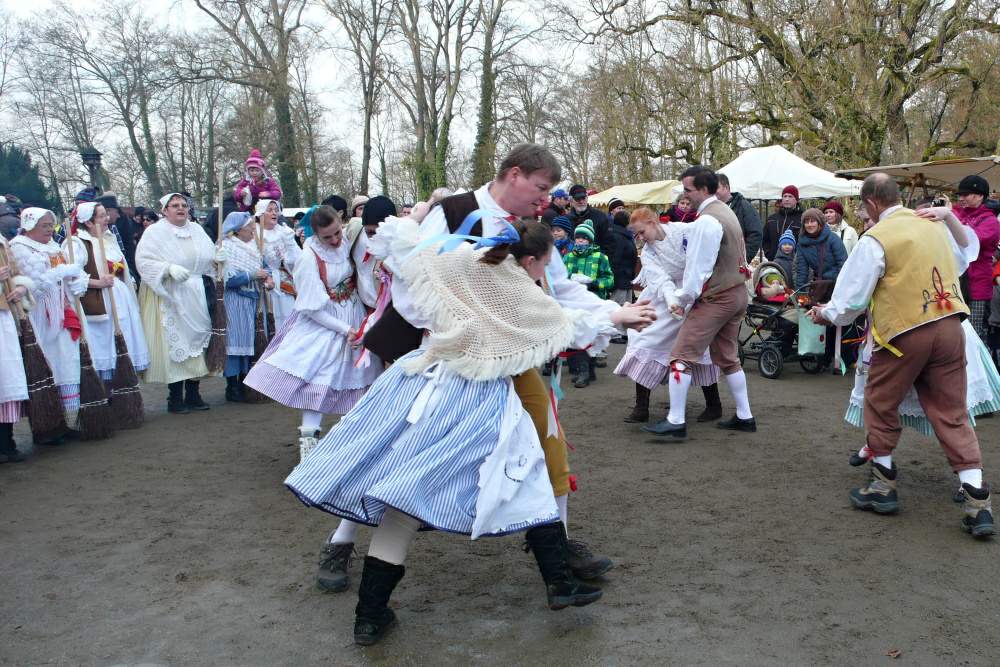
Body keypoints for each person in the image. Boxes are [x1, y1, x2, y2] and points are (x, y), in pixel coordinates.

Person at [285, 215, 654, 645]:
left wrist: (416, 217)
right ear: (531, 261)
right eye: (545, 265)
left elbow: (406, 249)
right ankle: (559, 581)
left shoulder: (462, 261)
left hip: (418, 384)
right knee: (530, 475)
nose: (545, 275)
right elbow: (564, 324)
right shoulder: (514, 288)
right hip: (474, 394)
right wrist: (620, 315)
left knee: (404, 501)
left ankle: (369, 616)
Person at [365, 144, 649, 591]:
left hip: (507, 363)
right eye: (540, 187)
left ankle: (558, 556)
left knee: (543, 450)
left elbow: (555, 292)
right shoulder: (454, 213)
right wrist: (472, 326)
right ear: (514, 174)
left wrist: (610, 313)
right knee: (400, 460)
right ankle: (342, 542)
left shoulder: (528, 231)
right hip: (449, 367)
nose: (545, 199)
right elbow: (414, 286)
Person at [810, 172, 993, 539]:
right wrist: (949, 217)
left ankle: (882, 485)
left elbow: (851, 300)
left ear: (871, 202)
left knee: (880, 401)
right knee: (952, 413)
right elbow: (966, 256)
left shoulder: (876, 238)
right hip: (951, 326)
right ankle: (978, 502)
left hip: (905, 332)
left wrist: (826, 314)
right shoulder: (932, 226)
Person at [644, 166, 755, 439]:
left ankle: (676, 421)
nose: (685, 195)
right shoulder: (725, 211)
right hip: (737, 293)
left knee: (680, 356)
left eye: (688, 190)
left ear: (704, 189)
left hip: (718, 296)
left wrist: (683, 299)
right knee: (728, 358)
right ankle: (745, 416)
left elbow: (698, 269)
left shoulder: (707, 221)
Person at [616, 207, 721, 423]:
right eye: (636, 235)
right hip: (664, 298)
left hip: (693, 291)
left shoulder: (683, 231)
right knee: (644, 338)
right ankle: (641, 406)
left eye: (642, 232)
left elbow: (702, 253)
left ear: (653, 222)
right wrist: (673, 302)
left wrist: (688, 294)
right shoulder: (648, 253)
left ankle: (714, 404)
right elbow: (661, 281)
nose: (640, 238)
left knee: (697, 345)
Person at [135, 193, 225, 413]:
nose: (180, 208)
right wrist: (167, 269)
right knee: (175, 346)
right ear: (165, 210)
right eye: (174, 205)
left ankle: (194, 394)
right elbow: (144, 261)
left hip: (197, 294)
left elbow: (209, 261)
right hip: (171, 295)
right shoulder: (155, 232)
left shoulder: (197, 230)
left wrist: (219, 260)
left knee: (198, 343)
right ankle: (175, 398)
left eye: (184, 205)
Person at [10, 208, 86, 432]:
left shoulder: (54, 246)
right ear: (30, 226)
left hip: (63, 311)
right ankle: (48, 424)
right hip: (39, 315)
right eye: (44, 226)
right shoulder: (20, 247)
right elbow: (34, 286)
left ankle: (68, 419)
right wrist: (58, 273)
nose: (49, 230)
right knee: (46, 363)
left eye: (51, 225)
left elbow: (67, 277)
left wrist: (76, 280)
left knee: (67, 361)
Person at [64, 202, 150, 384]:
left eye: (106, 215)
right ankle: (105, 390)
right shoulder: (78, 243)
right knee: (105, 346)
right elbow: (71, 276)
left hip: (120, 297)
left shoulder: (109, 238)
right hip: (100, 301)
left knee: (123, 340)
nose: (107, 219)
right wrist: (98, 282)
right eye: (102, 216)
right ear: (88, 222)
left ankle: (122, 387)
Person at [219, 212, 270, 402]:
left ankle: (245, 382)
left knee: (251, 340)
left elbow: (265, 267)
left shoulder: (257, 246)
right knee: (235, 341)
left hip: (254, 300)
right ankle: (232, 386)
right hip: (235, 300)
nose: (252, 230)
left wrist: (268, 278)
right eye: (249, 227)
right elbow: (227, 279)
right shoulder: (226, 248)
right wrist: (251, 275)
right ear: (238, 230)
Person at [563, 223, 614, 388]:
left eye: (584, 238)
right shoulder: (568, 257)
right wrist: (571, 281)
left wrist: (594, 284)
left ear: (590, 240)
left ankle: (585, 372)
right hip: (573, 303)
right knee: (577, 336)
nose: (580, 240)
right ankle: (585, 371)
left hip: (593, 303)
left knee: (589, 337)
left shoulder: (600, 257)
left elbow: (609, 279)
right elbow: (560, 279)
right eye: (578, 237)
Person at [953, 175, 999, 344]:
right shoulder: (957, 214)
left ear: (980, 196)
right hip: (956, 284)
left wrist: (949, 218)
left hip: (977, 287)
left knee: (974, 334)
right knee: (955, 333)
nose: (961, 198)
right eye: (960, 194)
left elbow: (970, 241)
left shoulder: (990, 221)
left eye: (965, 194)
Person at [0, 234, 32, 462]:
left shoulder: (1, 241)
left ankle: (6, 442)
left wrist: (20, 288)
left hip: (4, 317)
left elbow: (16, 273)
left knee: (7, 380)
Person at [255, 199, 300, 330]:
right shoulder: (255, 233)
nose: (274, 213)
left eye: (276, 210)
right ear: (261, 214)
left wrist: (290, 244)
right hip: (264, 281)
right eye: (270, 210)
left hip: (283, 279)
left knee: (288, 314)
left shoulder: (283, 231)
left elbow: (297, 260)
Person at [716, 173, 763, 261]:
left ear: (726, 187)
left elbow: (755, 233)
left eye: (716, 187)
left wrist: (744, 259)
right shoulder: (713, 208)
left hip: (735, 263)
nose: (713, 191)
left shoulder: (744, 206)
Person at [567, 184, 614, 258]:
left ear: (587, 197)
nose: (581, 201)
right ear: (571, 200)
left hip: (596, 261)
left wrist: (600, 259)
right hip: (573, 261)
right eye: (577, 199)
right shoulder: (566, 220)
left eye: (583, 198)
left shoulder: (600, 216)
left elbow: (609, 242)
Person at [762, 185, 803, 260]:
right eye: (785, 196)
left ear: (796, 200)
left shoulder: (802, 219)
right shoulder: (772, 219)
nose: (787, 199)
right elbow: (765, 239)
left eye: (790, 196)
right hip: (774, 261)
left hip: (795, 262)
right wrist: (769, 253)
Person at [607, 210, 638, 306]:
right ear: (626, 222)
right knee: (618, 307)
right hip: (620, 281)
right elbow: (615, 260)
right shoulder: (618, 236)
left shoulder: (625, 235)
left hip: (626, 279)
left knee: (626, 306)